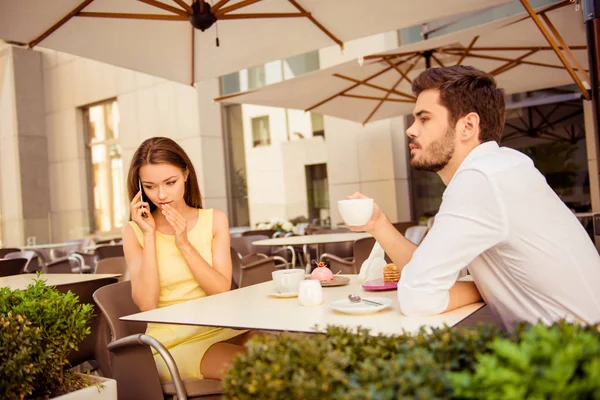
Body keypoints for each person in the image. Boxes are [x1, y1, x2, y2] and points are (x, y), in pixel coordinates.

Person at [347, 65, 600, 331]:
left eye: (424, 119)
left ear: (468, 125)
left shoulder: (482, 178)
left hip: (579, 360)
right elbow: (425, 273)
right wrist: (378, 224)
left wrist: (476, 288)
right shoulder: (502, 166)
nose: (411, 130)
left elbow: (418, 295)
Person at [123, 137, 256, 381]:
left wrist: (183, 243)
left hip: (220, 329)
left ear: (186, 174)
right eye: (150, 186)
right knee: (257, 371)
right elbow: (147, 305)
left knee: (286, 355)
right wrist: (150, 235)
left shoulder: (214, 219)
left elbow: (220, 288)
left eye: (170, 182)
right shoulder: (135, 232)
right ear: (140, 188)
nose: (161, 194)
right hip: (171, 344)